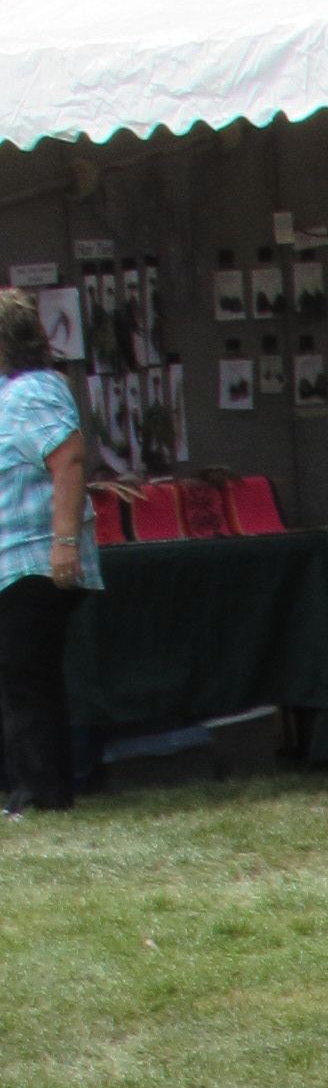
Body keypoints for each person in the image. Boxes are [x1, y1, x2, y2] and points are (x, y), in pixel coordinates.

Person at [0, 287, 95, 813]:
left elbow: (69, 459)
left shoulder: (30, 392)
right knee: (19, 680)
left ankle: (42, 796)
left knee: (26, 682)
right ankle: (29, 789)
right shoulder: (14, 392)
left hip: (32, 560)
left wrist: (65, 543)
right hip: (16, 561)